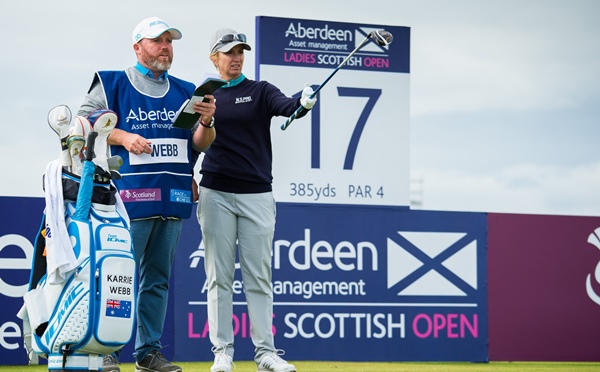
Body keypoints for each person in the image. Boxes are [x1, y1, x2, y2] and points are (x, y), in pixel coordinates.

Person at [77, 16, 216, 372]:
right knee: (117, 275)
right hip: (127, 199)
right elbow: (84, 123)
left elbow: (198, 144)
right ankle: (106, 350)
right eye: (158, 41)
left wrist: (207, 122)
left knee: (157, 280)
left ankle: (148, 352)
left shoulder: (187, 90)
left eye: (170, 41)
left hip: (173, 198)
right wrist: (122, 137)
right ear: (138, 46)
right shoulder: (112, 83)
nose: (166, 47)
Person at [197, 28, 316, 372]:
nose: (236, 58)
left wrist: (303, 102)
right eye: (229, 52)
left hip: (257, 194)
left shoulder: (260, 90)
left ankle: (266, 353)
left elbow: (287, 106)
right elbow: (194, 139)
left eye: (240, 52)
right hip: (215, 191)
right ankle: (223, 352)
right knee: (218, 276)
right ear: (214, 57)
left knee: (258, 277)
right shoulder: (203, 94)